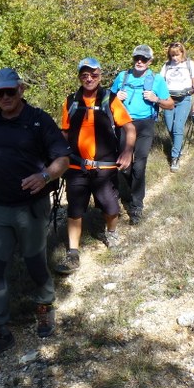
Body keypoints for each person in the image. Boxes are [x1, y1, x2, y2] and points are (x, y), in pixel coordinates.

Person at [0, 67, 70, 364]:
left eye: (9, 92)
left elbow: (63, 159)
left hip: (32, 207)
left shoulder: (38, 120)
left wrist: (44, 176)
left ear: (21, 90)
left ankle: (44, 306)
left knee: (34, 261)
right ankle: (0, 330)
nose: (4, 97)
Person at [56, 57, 135, 273]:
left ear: (100, 76)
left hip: (105, 167)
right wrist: (59, 156)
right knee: (74, 210)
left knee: (110, 207)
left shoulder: (110, 99)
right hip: (76, 168)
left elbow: (129, 128)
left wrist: (127, 151)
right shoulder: (71, 101)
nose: (89, 78)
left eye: (94, 74)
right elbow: (64, 132)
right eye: (85, 74)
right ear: (79, 76)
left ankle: (111, 232)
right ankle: (73, 253)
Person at [110, 45, 173, 225]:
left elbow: (170, 104)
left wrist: (156, 99)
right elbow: (107, 100)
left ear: (150, 61)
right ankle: (130, 193)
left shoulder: (157, 80)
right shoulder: (123, 77)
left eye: (144, 59)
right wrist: (115, 97)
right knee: (124, 165)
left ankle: (136, 205)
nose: (139, 61)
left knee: (140, 164)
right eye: (137, 58)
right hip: (124, 124)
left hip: (146, 124)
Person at [160, 42, 194, 172]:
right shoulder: (166, 66)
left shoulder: (190, 64)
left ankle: (175, 157)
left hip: (184, 98)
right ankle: (177, 147)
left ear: (182, 53)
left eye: (177, 54)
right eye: (172, 55)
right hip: (169, 100)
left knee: (178, 127)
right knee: (170, 128)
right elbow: (160, 83)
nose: (175, 58)